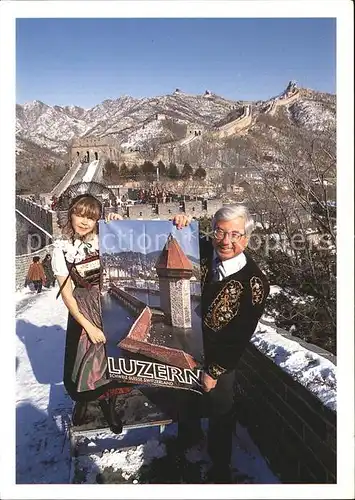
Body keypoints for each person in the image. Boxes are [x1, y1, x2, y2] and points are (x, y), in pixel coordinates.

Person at [51, 181, 191, 434]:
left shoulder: (106, 235)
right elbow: (68, 296)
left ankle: (111, 401)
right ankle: (97, 402)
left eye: (90, 217)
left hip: (106, 302)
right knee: (90, 362)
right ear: (70, 213)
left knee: (113, 358)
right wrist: (88, 326)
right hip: (85, 309)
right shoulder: (62, 249)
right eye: (79, 214)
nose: (83, 221)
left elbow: (147, 235)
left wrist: (178, 222)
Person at [178, 204, 270, 483]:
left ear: (246, 238)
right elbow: (174, 236)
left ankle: (220, 467)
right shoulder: (206, 252)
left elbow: (239, 335)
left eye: (235, 234)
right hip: (190, 349)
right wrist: (181, 223)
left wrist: (214, 371)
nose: (226, 241)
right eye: (220, 231)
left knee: (220, 412)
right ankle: (189, 441)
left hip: (220, 360)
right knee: (186, 399)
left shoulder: (253, 282)